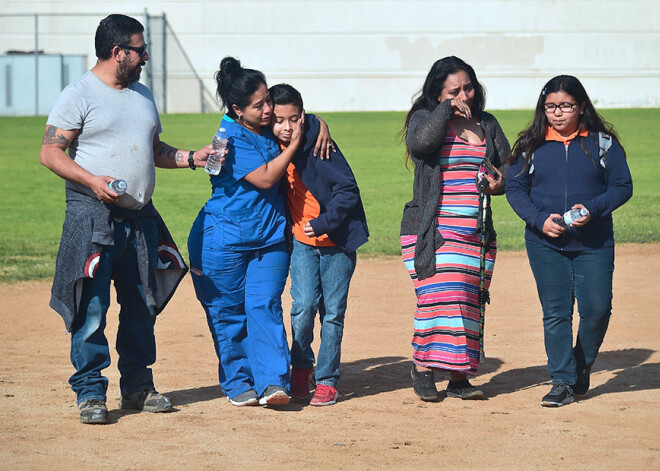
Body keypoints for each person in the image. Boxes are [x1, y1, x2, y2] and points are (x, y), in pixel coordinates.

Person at [40, 14, 216, 424]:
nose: (146, 57)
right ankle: (90, 393)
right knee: (93, 305)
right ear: (117, 52)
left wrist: (192, 158)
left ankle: (138, 386)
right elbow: (50, 152)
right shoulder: (78, 94)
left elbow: (153, 150)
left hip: (139, 219)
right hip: (92, 218)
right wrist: (91, 181)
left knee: (141, 305)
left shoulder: (142, 95)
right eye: (140, 50)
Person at [188, 58, 332, 408]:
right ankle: (238, 381)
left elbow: (295, 117)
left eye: (268, 99)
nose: (269, 110)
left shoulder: (266, 125)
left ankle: (272, 383)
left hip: (270, 239)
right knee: (228, 312)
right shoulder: (227, 139)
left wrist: (318, 123)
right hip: (222, 241)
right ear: (238, 109)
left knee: (264, 306)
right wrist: (297, 145)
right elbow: (267, 177)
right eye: (260, 105)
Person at [505, 75, 633, 407]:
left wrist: (594, 209)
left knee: (597, 309)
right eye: (551, 106)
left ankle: (580, 364)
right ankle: (561, 382)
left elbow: (622, 186)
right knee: (556, 312)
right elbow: (515, 189)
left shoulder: (603, 143)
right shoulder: (529, 145)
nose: (558, 113)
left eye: (566, 106)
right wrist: (538, 220)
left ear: (581, 106)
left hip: (594, 242)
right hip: (544, 242)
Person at [400, 56, 510, 402]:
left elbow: (508, 169)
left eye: (468, 87)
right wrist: (445, 109)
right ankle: (423, 368)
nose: (464, 94)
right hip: (433, 230)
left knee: (467, 303)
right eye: (454, 90)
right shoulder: (424, 119)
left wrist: (499, 183)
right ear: (438, 94)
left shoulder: (487, 123)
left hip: (476, 236)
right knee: (437, 301)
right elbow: (421, 144)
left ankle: (460, 376)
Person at [269, 84, 369, 406]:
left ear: (302, 117)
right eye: (279, 120)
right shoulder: (272, 142)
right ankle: (300, 369)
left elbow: (348, 189)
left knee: (333, 313)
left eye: (294, 119)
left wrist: (325, 223)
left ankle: (327, 379)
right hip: (302, 242)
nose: (286, 127)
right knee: (303, 307)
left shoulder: (321, 145)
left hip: (337, 243)